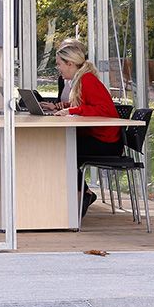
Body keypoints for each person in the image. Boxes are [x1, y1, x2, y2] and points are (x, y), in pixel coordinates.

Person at [51, 40, 121, 217]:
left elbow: (104, 110)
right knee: (59, 148)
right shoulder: (81, 80)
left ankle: (82, 194)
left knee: (61, 151)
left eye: (59, 64)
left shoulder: (87, 80)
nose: (58, 68)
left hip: (106, 143)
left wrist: (72, 110)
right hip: (96, 138)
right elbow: (86, 105)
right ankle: (82, 193)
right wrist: (64, 107)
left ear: (70, 64)